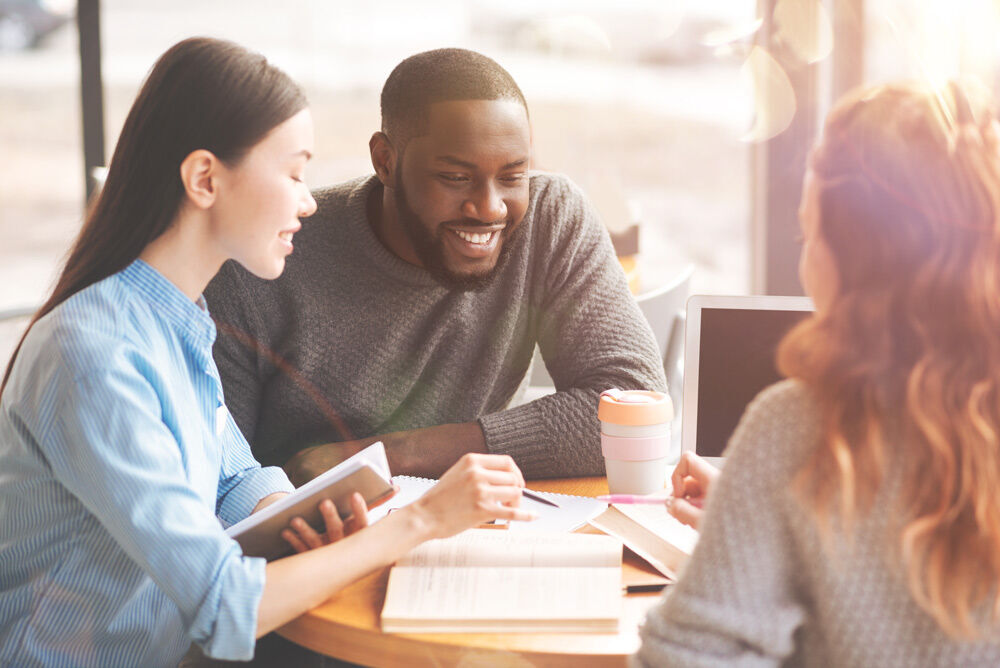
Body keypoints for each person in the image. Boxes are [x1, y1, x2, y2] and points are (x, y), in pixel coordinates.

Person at [0, 37, 535, 667]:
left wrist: (299, 516)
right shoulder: (94, 354)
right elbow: (225, 605)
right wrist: (417, 524)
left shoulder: (177, 319)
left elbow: (233, 478)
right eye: (293, 172)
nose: (308, 200)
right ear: (205, 179)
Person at [637, 79, 1000, 666]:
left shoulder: (798, 426)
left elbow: (684, 657)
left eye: (811, 234)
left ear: (856, 261)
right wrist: (750, 526)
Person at [204, 48, 666, 486]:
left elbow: (634, 406)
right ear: (385, 161)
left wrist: (383, 457)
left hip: (475, 526)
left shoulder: (550, 217)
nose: (489, 208)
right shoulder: (264, 260)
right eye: (455, 178)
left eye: (512, 176)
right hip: (311, 543)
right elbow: (219, 482)